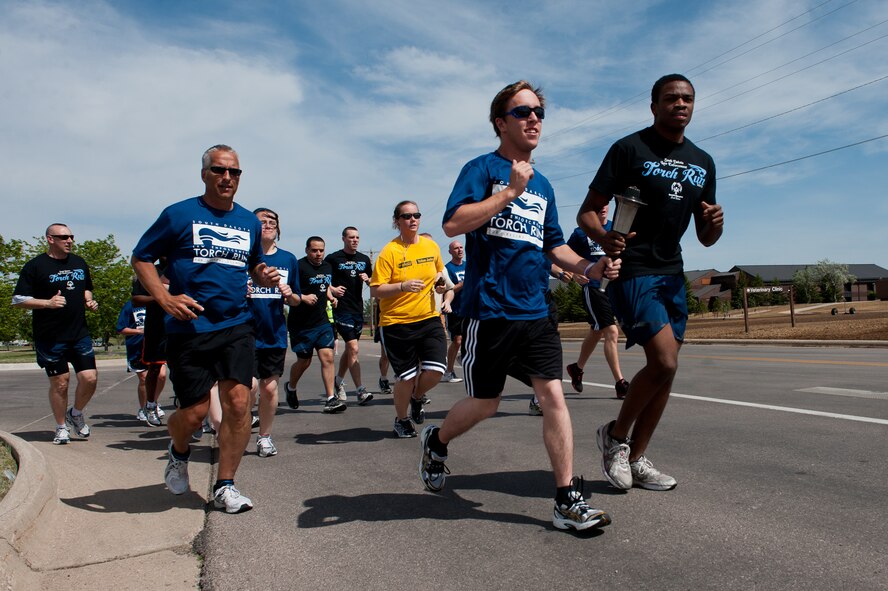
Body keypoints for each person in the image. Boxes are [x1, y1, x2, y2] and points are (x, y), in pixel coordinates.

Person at [419, 80, 619, 532]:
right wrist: (507, 193)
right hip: (489, 312)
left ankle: (566, 499)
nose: (534, 119)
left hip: (535, 312)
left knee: (552, 396)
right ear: (500, 122)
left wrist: (592, 267)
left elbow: (553, 246)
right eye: (523, 111)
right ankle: (438, 439)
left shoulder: (544, 184)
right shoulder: (482, 169)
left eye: (539, 113)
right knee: (486, 403)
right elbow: (453, 221)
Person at [577, 74, 724, 493]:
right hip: (633, 268)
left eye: (688, 99)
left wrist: (715, 224)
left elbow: (705, 236)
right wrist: (604, 237)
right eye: (671, 98)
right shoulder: (629, 148)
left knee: (666, 372)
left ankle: (638, 458)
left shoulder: (703, 161)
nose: (681, 104)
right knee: (664, 361)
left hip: (672, 273)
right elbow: (587, 212)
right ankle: (615, 438)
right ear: (654, 105)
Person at [132, 144, 281, 514]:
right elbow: (141, 258)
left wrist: (263, 272)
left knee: (239, 404)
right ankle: (178, 450)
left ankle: (225, 484)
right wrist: (165, 300)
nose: (227, 177)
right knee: (194, 413)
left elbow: (254, 264)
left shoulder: (248, 221)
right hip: (189, 328)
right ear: (204, 174)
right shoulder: (179, 214)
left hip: (236, 324)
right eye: (219, 170)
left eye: (234, 172)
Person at [12, 224, 99, 445]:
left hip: (79, 332)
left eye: (71, 236)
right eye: (63, 237)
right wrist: (47, 303)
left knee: (89, 378)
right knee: (61, 383)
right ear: (50, 239)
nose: (69, 240)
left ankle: (76, 414)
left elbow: (86, 287)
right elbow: (19, 299)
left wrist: (88, 299)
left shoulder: (79, 262)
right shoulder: (35, 266)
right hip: (50, 336)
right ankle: (61, 427)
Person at [370, 201, 447, 438]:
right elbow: (375, 290)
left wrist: (442, 284)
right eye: (406, 216)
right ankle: (401, 420)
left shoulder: (430, 246)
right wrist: (402, 286)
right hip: (397, 323)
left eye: (416, 215)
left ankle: (416, 397)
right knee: (406, 377)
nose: (412, 219)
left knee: (436, 370)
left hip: (428, 318)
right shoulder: (389, 252)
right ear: (397, 221)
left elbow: (439, 274)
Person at [248, 208, 301, 457]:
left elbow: (297, 300)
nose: (268, 225)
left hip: (274, 333)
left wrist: (290, 295)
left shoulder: (288, 259)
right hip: (244, 332)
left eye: (272, 222)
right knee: (248, 388)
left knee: (269, 389)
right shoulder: (244, 257)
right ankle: (239, 423)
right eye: (262, 222)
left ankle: (264, 437)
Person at [564, 206, 630, 398]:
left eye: (605, 204)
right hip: (594, 287)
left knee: (596, 330)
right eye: (597, 204)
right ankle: (620, 383)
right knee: (611, 331)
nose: (601, 208)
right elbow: (566, 256)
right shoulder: (580, 233)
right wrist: (576, 274)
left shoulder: (615, 229)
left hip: (614, 287)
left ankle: (576, 369)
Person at [285, 237, 345, 414]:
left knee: (327, 356)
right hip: (301, 324)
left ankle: (330, 399)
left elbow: (324, 285)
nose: (318, 254)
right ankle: (291, 387)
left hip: (322, 322)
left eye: (321, 250)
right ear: (306, 250)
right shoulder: (298, 266)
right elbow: (287, 291)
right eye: (314, 250)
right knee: (304, 361)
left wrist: (331, 296)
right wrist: (303, 297)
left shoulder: (327, 266)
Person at [327, 226, 373, 405]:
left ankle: (338, 381)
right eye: (351, 237)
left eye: (357, 238)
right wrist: (332, 289)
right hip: (341, 308)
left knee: (350, 349)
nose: (355, 240)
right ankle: (360, 390)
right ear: (343, 239)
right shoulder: (333, 258)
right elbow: (323, 277)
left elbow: (374, 280)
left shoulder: (363, 259)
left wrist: (368, 280)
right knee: (353, 348)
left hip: (358, 309)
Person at [131, 263, 168, 420]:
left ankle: (188, 408)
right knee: (155, 369)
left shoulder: (185, 265)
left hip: (184, 326)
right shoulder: (150, 271)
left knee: (186, 369)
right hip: (157, 328)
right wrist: (161, 297)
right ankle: (151, 404)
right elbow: (136, 299)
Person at [116, 297, 161, 426]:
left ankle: (152, 403)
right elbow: (121, 328)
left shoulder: (157, 303)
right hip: (136, 349)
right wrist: (139, 331)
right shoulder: (130, 305)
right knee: (143, 378)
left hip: (154, 346)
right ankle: (144, 408)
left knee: (161, 376)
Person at [442, 240, 466, 383]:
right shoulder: (447, 269)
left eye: (461, 247)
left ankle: (462, 356)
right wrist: (463, 284)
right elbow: (448, 290)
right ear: (450, 252)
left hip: (469, 309)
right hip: (455, 309)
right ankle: (449, 371)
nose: (459, 250)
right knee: (457, 340)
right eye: (456, 248)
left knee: (470, 339)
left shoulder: (469, 265)